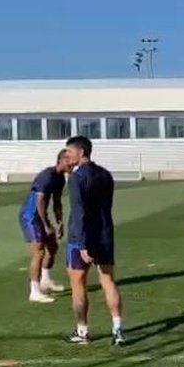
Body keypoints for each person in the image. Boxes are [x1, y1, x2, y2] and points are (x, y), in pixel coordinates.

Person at [63, 136, 125, 345]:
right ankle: (118, 329)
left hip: (81, 237)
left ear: (81, 152)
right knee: (108, 281)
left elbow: (79, 212)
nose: (67, 157)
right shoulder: (105, 175)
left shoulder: (76, 178)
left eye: (69, 152)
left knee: (78, 283)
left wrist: (82, 244)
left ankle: (82, 331)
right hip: (105, 234)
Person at [19, 149, 72, 303]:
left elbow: (56, 202)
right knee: (39, 251)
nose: (72, 164)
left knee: (53, 246)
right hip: (30, 216)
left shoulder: (60, 178)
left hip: (40, 216)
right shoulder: (47, 176)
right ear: (61, 160)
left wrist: (59, 222)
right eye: (69, 161)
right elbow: (40, 202)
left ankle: (45, 280)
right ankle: (34, 292)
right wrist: (46, 225)